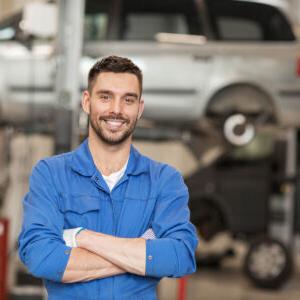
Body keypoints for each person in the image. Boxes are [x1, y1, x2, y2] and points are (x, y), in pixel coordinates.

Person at [18, 55, 198, 299]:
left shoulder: (164, 181)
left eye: (128, 100)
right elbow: (40, 257)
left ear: (140, 108)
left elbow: (180, 256)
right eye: (105, 97)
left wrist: (80, 237)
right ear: (86, 101)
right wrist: (143, 254)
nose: (116, 109)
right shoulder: (51, 174)